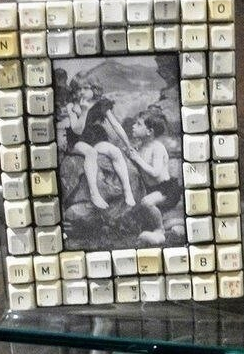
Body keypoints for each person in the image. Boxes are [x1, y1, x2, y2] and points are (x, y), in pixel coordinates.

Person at [65, 76, 136, 209]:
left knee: (115, 151)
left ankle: (128, 190)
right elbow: (77, 130)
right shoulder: (72, 105)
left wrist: (128, 144)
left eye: (85, 88)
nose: (81, 92)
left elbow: (115, 125)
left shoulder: (101, 103)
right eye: (78, 89)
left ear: (94, 88)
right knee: (91, 153)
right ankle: (94, 194)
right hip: (76, 140)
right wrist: (84, 111)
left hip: (94, 137)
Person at [128, 111, 181, 245]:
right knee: (138, 218)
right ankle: (171, 225)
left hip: (166, 189)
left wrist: (138, 159)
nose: (133, 126)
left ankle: (160, 230)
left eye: (138, 124)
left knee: (146, 202)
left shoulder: (157, 148)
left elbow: (155, 172)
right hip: (151, 189)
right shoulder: (140, 147)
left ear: (149, 131)